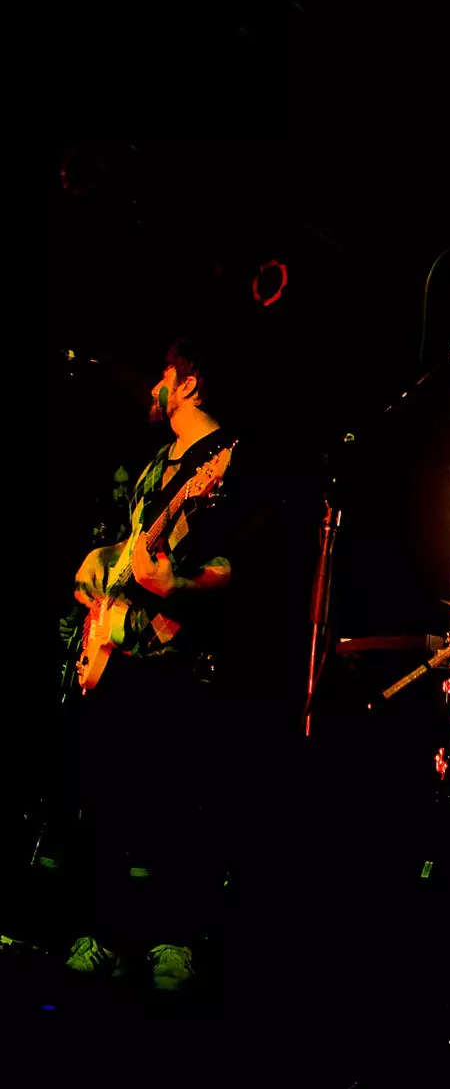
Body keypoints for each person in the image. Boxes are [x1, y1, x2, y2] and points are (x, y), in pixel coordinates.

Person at [59, 337, 269, 991]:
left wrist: (173, 584)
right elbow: (128, 551)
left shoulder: (224, 460)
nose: (154, 385)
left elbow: (235, 567)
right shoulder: (155, 464)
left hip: (184, 659)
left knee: (177, 808)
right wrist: (104, 569)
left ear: (187, 383)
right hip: (123, 650)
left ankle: (179, 942)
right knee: (107, 804)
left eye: (164, 375)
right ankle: (107, 935)